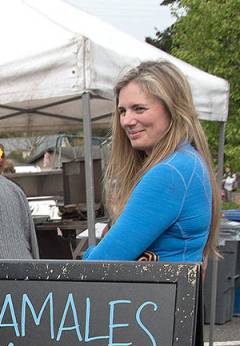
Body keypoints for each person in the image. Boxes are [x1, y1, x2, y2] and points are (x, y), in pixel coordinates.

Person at [83, 61, 219, 263]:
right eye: (122, 111)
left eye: (139, 109)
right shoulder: (188, 161)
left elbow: (99, 265)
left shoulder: (170, 172)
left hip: (155, 294)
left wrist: (89, 253)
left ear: (172, 109)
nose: (127, 121)